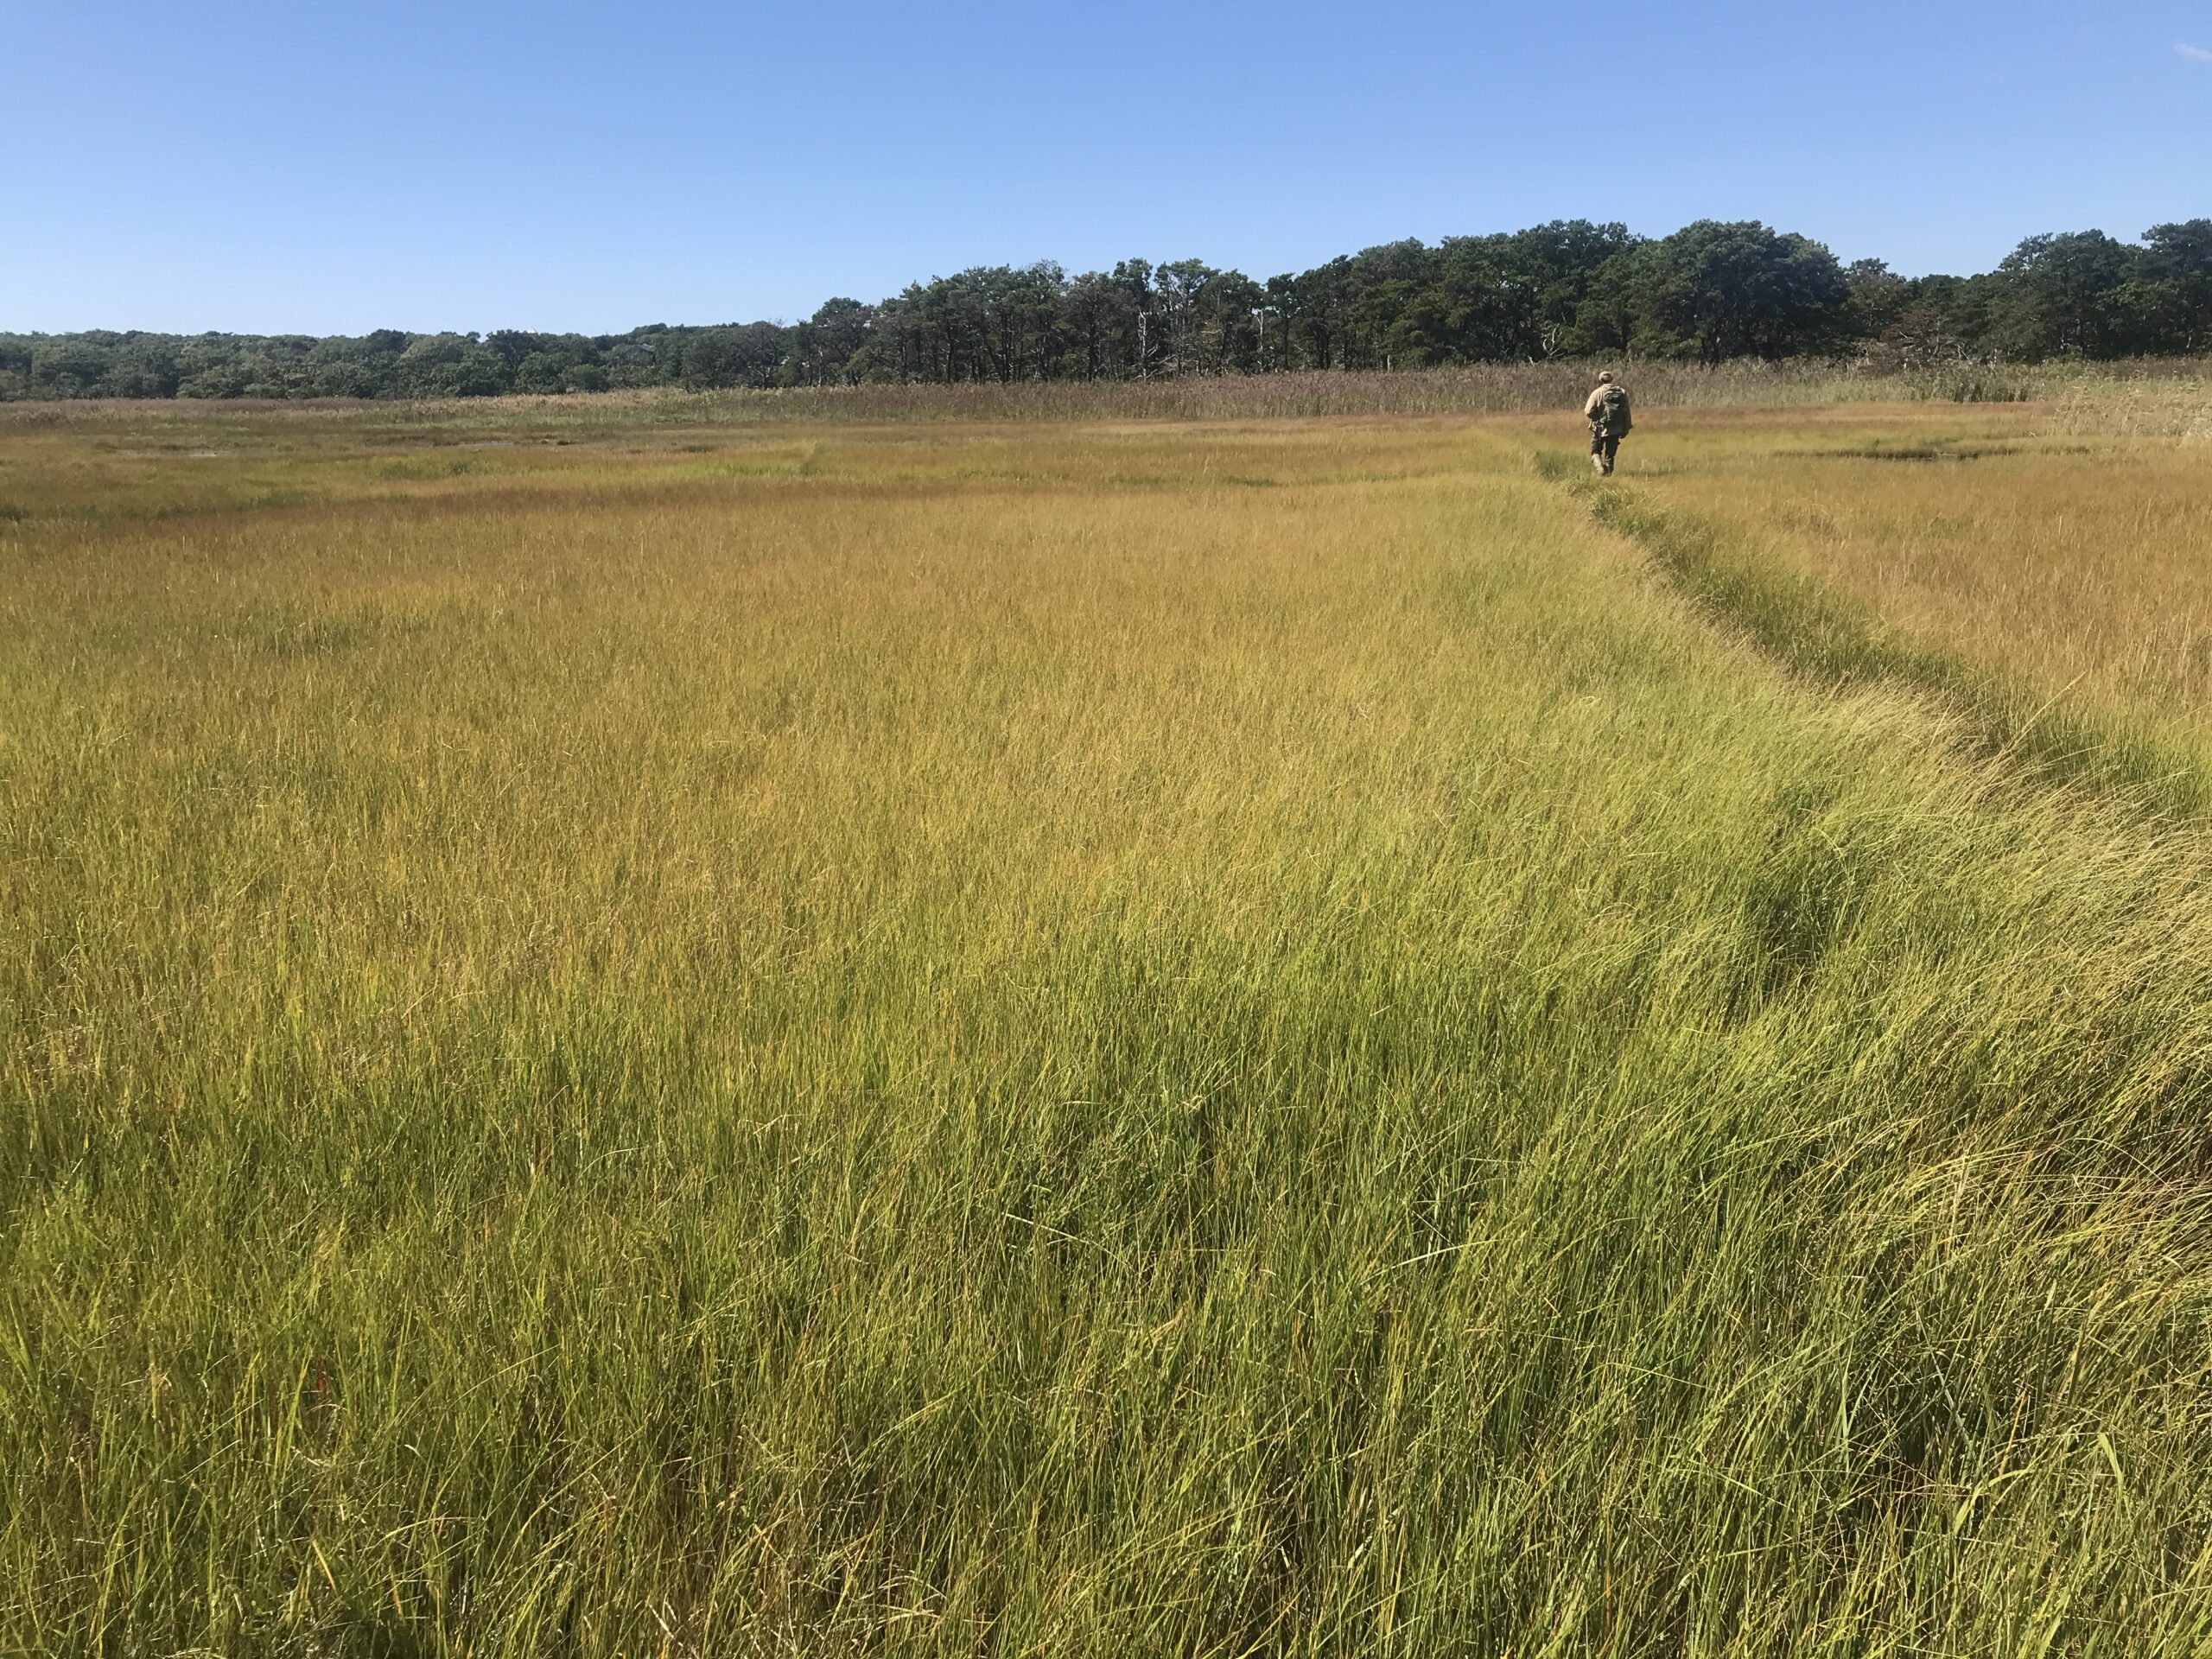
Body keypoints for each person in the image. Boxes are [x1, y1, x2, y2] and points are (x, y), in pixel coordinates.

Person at [1584, 370, 1631, 475]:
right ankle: (1608, 476)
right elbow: (1627, 412)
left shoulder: (1597, 393)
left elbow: (1588, 411)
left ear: (1600, 380)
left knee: (1595, 452)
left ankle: (1600, 469)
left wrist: (1597, 419)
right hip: (1616, 429)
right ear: (1612, 379)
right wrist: (1626, 428)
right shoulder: (1622, 392)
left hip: (1599, 429)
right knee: (1610, 455)